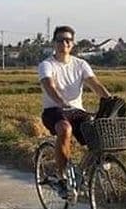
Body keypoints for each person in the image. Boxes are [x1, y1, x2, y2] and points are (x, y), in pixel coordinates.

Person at [38, 25, 111, 197]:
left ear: (73, 44)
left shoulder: (81, 64)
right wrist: (61, 102)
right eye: (60, 40)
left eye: (68, 40)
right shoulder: (47, 64)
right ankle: (62, 178)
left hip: (76, 111)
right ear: (54, 43)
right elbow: (49, 85)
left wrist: (110, 100)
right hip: (53, 110)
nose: (64, 43)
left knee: (98, 132)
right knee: (65, 129)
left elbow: (95, 84)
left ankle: (80, 174)